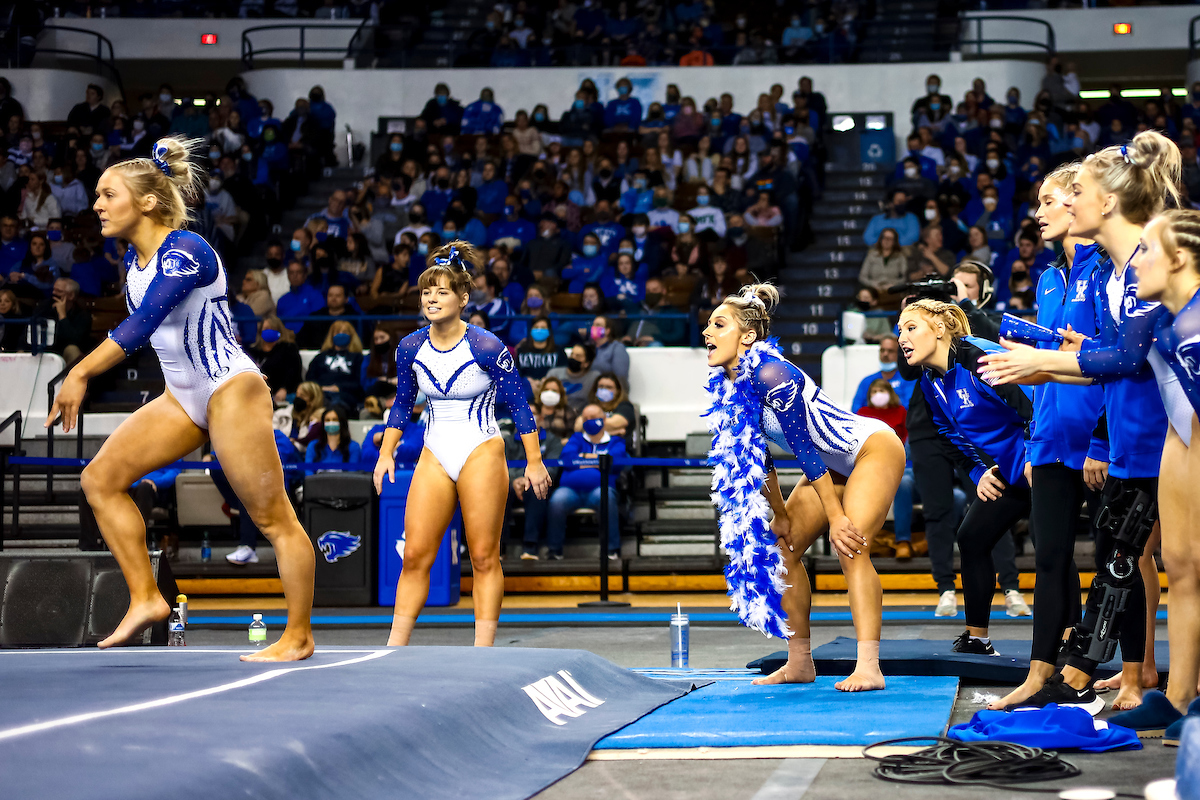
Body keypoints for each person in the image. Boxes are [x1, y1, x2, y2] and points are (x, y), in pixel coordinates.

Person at [45, 137, 314, 662]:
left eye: (107, 194)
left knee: (274, 518)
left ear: (146, 201)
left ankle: (299, 635)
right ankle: (146, 597)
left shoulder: (187, 250)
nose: (96, 204)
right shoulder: (134, 262)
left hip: (229, 388)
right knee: (99, 480)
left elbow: (144, 324)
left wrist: (79, 371)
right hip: (180, 394)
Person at [978, 131, 1182, 714]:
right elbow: (1108, 355)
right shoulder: (1090, 273)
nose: (1050, 210)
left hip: (1150, 437)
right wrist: (1041, 368)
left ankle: (1144, 681)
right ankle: (1082, 675)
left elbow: (1125, 358)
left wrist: (1049, 363)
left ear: (1098, 200)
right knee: (1114, 563)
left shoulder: (1134, 263)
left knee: (1154, 566)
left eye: (1066, 195)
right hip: (1104, 436)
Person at [704, 284, 904, 692]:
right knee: (785, 548)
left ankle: (869, 666)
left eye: (718, 324)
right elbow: (761, 463)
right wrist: (780, 516)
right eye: (707, 324)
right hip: (828, 465)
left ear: (747, 337)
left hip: (868, 448)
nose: (707, 331)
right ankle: (800, 663)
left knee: (850, 545)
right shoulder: (730, 390)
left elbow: (806, 451)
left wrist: (835, 517)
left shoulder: (772, 373)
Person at [373, 243, 551, 648]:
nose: (432, 299)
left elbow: (519, 405)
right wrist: (386, 453)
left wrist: (533, 462)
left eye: (442, 292)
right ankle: (393, 650)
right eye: (426, 292)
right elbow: (402, 404)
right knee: (415, 555)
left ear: (463, 299)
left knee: (484, 557)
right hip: (434, 452)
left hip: (481, 449)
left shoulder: (487, 346)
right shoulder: (409, 347)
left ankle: (482, 652)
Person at [983, 164, 1107, 711]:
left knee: (1119, 561)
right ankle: (1040, 673)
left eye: (1050, 200)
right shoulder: (1050, 276)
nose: (1039, 212)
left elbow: (1118, 361)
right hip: (1054, 436)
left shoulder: (1113, 269)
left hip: (1104, 438)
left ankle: (1128, 671)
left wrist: (1103, 442)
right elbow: (1044, 367)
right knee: (1051, 557)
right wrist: (1034, 440)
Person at [1107, 209, 1200, 742]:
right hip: (1184, 434)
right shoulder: (1169, 320)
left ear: (1180, 258)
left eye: (1149, 249)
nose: (1137, 260)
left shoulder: (1192, 325)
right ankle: (1181, 696)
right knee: (1181, 565)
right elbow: (1115, 359)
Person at [898, 299, 1033, 656]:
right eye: (899, 331)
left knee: (1053, 551)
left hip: (1049, 459)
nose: (901, 338)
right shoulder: (930, 381)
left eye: (911, 328)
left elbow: (1032, 405)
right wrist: (978, 472)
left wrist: (1037, 459)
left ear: (939, 330)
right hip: (1012, 469)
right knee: (972, 537)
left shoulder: (978, 357)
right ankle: (977, 638)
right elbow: (945, 432)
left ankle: (1066, 642)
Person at [548, 403, 627, 559]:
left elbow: (614, 462)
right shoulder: (576, 438)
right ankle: (554, 550)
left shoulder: (615, 441)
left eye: (593, 417)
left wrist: (582, 458)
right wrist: (598, 461)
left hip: (600, 489)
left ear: (604, 419)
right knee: (556, 500)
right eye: (585, 418)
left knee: (607, 498)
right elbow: (567, 459)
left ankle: (612, 549)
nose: (589, 421)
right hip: (570, 490)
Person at [305, 319, 365, 411]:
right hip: (321, 393)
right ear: (331, 335)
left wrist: (339, 388)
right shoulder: (320, 357)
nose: (341, 334)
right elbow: (310, 378)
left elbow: (359, 382)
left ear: (351, 336)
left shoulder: (357, 358)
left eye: (345, 332)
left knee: (336, 403)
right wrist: (320, 388)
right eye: (337, 332)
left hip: (345, 395)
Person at [850, 336, 915, 411]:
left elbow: (910, 408)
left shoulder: (908, 380)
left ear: (899, 354)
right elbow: (856, 409)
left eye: (890, 351)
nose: (885, 354)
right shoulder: (867, 381)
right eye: (882, 350)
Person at [249, 315, 303, 403]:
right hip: (258, 393)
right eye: (266, 328)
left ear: (279, 331)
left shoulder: (289, 348)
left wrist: (284, 389)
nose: (269, 331)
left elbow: (293, 371)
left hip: (284, 393)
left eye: (272, 328)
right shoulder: (253, 351)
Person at [545, 342, 599, 409]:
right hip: (557, 412)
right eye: (571, 354)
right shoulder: (554, 374)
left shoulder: (594, 377)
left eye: (578, 356)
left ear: (586, 363)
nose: (573, 358)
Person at [858, 228, 909, 293]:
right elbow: (862, 277)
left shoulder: (900, 257)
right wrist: (874, 285)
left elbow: (905, 277)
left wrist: (894, 285)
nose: (886, 241)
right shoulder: (871, 255)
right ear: (880, 239)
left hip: (893, 291)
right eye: (884, 238)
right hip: (874, 291)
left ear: (894, 241)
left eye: (890, 239)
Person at [516, 316, 567, 381]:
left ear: (549, 331)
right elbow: (517, 374)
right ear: (531, 330)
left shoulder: (559, 351)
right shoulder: (521, 351)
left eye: (543, 328)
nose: (539, 330)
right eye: (536, 327)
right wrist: (528, 382)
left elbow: (563, 374)